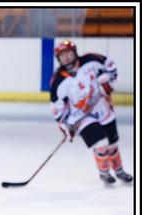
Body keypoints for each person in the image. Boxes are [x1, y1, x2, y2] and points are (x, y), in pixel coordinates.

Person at [50, 40, 132, 185]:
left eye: (68, 53)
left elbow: (110, 66)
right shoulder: (58, 81)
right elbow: (57, 108)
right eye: (62, 55)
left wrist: (108, 83)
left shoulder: (91, 60)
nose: (67, 57)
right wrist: (65, 125)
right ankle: (104, 172)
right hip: (81, 117)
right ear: (58, 59)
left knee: (112, 144)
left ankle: (119, 171)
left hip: (102, 108)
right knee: (101, 143)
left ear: (74, 52)